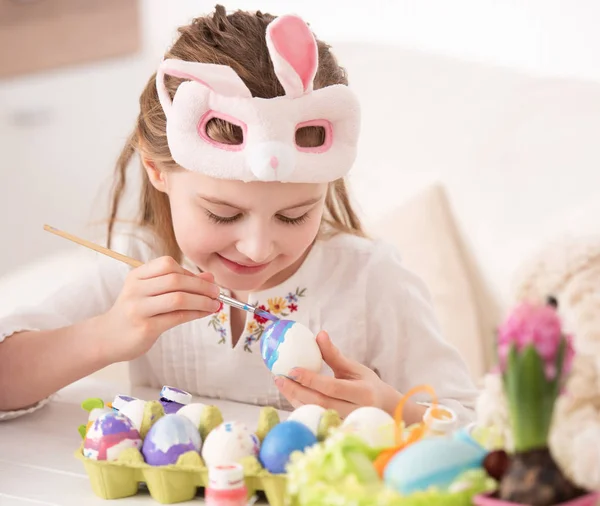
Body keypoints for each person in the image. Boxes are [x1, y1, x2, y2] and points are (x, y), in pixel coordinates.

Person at [0, 5, 478, 425]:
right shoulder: (139, 265)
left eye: (294, 215)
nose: (257, 247)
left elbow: (472, 426)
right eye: (223, 214)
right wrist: (106, 334)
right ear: (157, 172)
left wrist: (394, 412)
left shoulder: (370, 282)